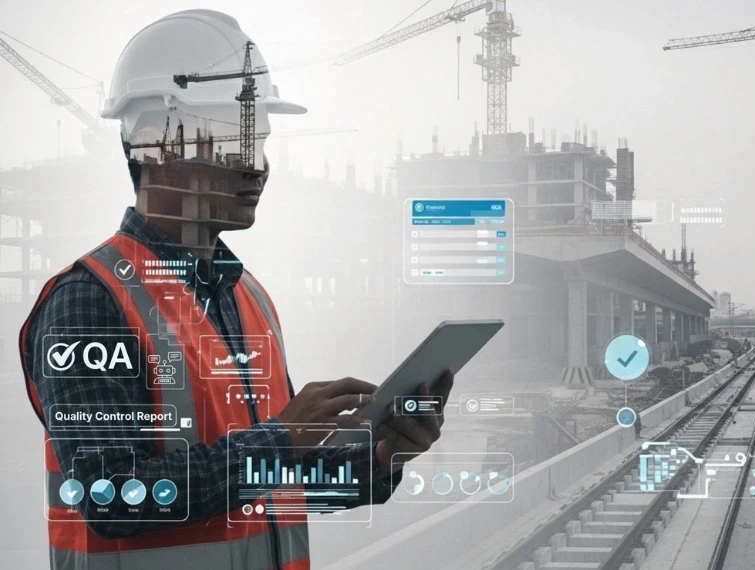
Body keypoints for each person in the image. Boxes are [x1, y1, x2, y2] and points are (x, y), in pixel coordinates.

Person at [19, 10, 451, 569]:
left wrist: (384, 456)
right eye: (231, 142)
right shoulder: (89, 300)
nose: (257, 168)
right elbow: (112, 494)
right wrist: (281, 439)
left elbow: (277, 485)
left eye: (259, 141)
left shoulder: (249, 298)